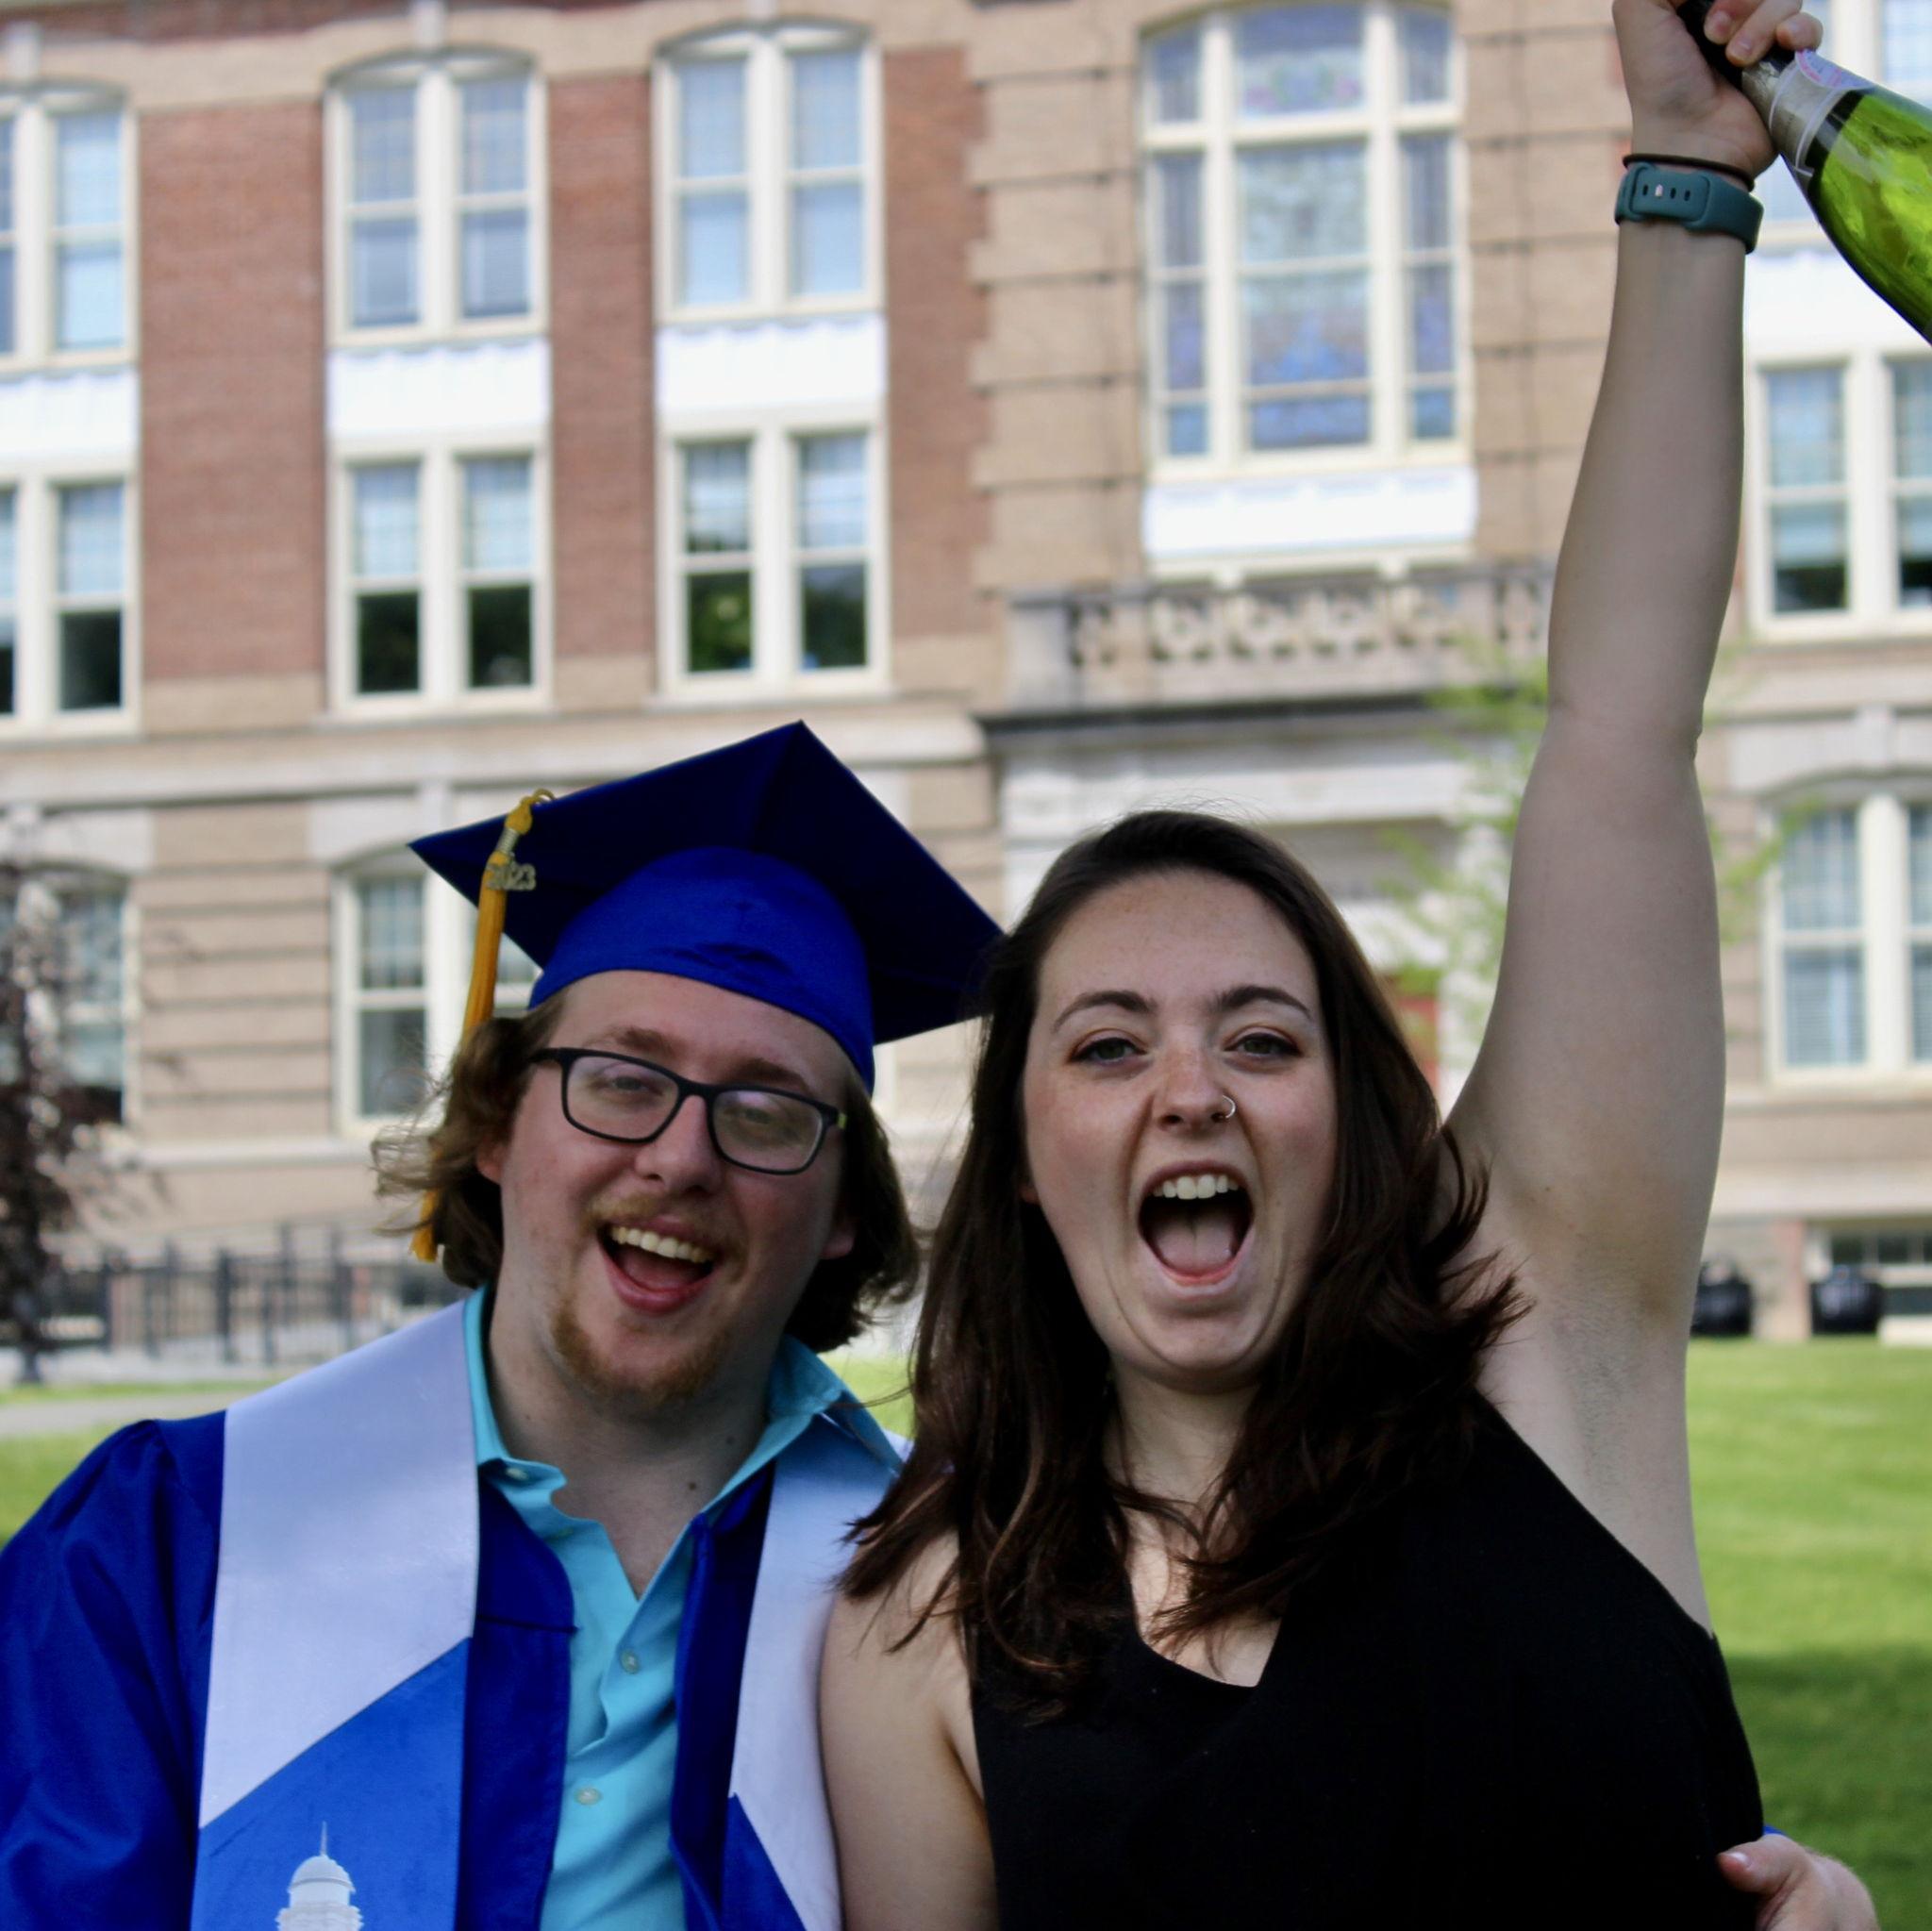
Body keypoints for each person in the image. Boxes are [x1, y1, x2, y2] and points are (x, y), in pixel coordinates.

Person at [821, 4, 1880, 1928]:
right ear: (1021, 1145)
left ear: (1352, 1110)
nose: (1189, 1089)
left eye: (1260, 1032)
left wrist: (1685, 178)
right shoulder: (924, 1626)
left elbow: (1618, 727)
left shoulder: (1541, 1328)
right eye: (1106, 1044)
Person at [0, 722, 999, 1930]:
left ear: (844, 1209)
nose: (680, 1158)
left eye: (766, 1110)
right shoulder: (165, 1548)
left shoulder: (946, 1581)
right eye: (621, 1081)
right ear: (495, 1125)